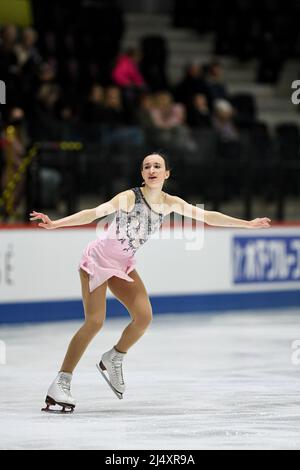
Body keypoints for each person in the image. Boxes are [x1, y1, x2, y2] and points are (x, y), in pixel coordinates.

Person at [29, 153, 271, 413]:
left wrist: (247, 224)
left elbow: (208, 216)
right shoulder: (130, 197)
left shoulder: (170, 203)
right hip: (98, 260)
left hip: (123, 265)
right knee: (95, 321)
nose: (152, 170)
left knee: (143, 317)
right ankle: (61, 382)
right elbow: (94, 213)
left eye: (157, 166)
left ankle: (114, 357)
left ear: (167, 174)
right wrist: (56, 224)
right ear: (142, 174)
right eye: (147, 167)